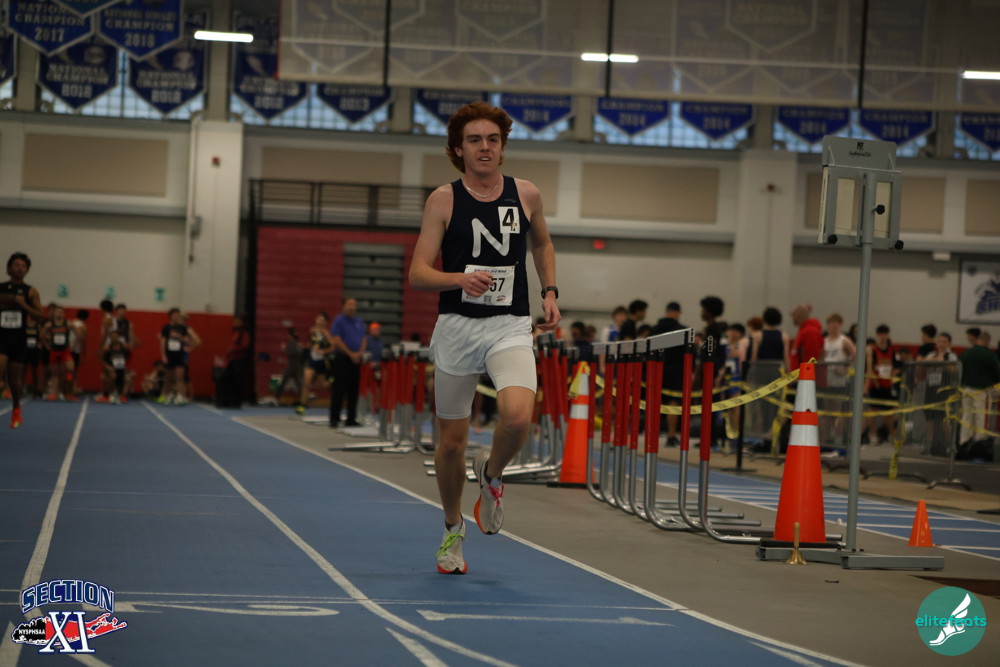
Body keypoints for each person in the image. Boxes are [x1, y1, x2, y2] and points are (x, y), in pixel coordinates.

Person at [409, 101, 559, 575]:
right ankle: (453, 527)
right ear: (458, 149)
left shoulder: (526, 194)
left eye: (493, 139)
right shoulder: (443, 200)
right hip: (457, 325)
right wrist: (459, 279)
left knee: (517, 417)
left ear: (503, 146)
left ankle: (492, 475)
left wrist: (549, 291)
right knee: (452, 443)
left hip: (509, 323)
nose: (485, 147)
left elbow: (542, 243)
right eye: (474, 140)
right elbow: (418, 273)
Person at [0, 253, 46, 428]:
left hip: (18, 339)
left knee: (15, 381)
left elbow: (40, 317)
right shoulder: (1, 288)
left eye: (23, 266)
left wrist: (24, 305)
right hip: (1, 336)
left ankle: (16, 408)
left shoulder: (30, 291)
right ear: (9, 268)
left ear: (27, 270)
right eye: (16, 265)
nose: (20, 268)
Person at [958, 331, 1000, 449]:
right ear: (988, 341)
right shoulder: (990, 356)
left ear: (978, 340)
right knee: (981, 417)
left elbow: (959, 370)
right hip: (983, 392)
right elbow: (997, 375)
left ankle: (963, 442)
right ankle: (979, 444)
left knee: (966, 416)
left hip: (966, 390)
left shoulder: (966, 354)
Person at [328, 297, 366, 428]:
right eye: (349, 304)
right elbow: (336, 340)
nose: (352, 307)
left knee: (354, 390)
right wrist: (350, 354)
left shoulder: (359, 321)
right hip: (342, 358)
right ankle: (334, 418)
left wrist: (359, 353)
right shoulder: (339, 321)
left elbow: (363, 339)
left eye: (354, 305)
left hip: (356, 359)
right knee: (339, 389)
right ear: (343, 306)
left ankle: (351, 418)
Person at [864, 324, 900, 444]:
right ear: (877, 335)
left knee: (889, 412)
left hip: (888, 385)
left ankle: (892, 434)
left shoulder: (892, 351)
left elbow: (896, 367)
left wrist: (892, 378)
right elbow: (869, 369)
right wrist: (874, 383)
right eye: (880, 334)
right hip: (875, 385)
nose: (883, 337)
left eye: (885, 334)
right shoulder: (872, 351)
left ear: (887, 335)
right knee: (872, 410)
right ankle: (873, 434)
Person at [158, 308, 201, 405]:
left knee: (179, 377)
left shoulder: (184, 328)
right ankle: (166, 395)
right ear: (170, 316)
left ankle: (180, 396)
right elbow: (163, 341)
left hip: (180, 355)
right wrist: (163, 355)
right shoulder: (166, 328)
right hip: (169, 354)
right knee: (168, 377)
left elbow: (191, 340)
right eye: (174, 315)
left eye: (177, 315)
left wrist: (188, 347)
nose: (176, 317)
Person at [296, 312, 334, 415]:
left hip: (322, 361)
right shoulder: (312, 331)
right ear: (316, 320)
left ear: (325, 322)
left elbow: (332, 347)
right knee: (306, 382)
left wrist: (323, 351)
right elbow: (309, 343)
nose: (320, 322)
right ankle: (302, 406)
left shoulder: (326, 333)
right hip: (311, 360)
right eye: (319, 319)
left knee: (321, 385)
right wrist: (304, 346)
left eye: (322, 320)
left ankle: (332, 380)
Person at [42, 305, 77, 401]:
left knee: (70, 368)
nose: (59, 313)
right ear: (54, 313)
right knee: (55, 373)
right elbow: (42, 334)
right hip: (54, 350)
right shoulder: (49, 325)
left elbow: (77, 334)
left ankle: (68, 391)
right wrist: (46, 345)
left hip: (65, 350)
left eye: (61, 312)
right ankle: (54, 393)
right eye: (58, 312)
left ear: (64, 314)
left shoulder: (68, 324)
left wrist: (73, 345)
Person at [216, 315, 251, 408]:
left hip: (238, 361)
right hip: (230, 360)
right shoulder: (234, 333)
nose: (235, 323)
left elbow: (245, 346)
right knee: (227, 381)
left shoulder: (244, 334)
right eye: (235, 321)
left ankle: (236, 402)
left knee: (237, 382)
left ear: (241, 323)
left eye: (237, 321)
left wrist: (233, 349)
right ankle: (226, 401)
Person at [99, 330, 131, 404]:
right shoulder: (107, 348)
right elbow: (102, 360)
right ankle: (107, 395)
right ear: (110, 338)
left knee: (126, 378)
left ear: (118, 337)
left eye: (115, 336)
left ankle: (120, 395)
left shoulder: (124, 347)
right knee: (111, 377)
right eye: (112, 337)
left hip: (121, 368)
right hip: (110, 369)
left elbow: (127, 356)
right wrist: (108, 367)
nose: (114, 338)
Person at [790, 303, 823, 371]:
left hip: (805, 374)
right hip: (799, 373)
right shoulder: (803, 330)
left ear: (799, 315)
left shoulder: (809, 332)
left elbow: (811, 356)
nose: (793, 318)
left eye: (794, 315)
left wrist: (806, 373)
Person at [274, 328, 303, 403]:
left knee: (283, 382)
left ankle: (277, 398)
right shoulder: (297, 342)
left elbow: (291, 352)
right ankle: (302, 398)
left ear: (289, 335)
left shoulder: (292, 342)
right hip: (297, 365)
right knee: (298, 384)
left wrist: (284, 349)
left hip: (292, 366)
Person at [69, 309, 90, 395]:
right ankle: (71, 387)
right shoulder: (82, 326)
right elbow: (82, 340)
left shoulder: (71, 323)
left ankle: (69, 387)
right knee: (73, 371)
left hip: (67, 349)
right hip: (74, 351)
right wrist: (83, 355)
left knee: (68, 370)